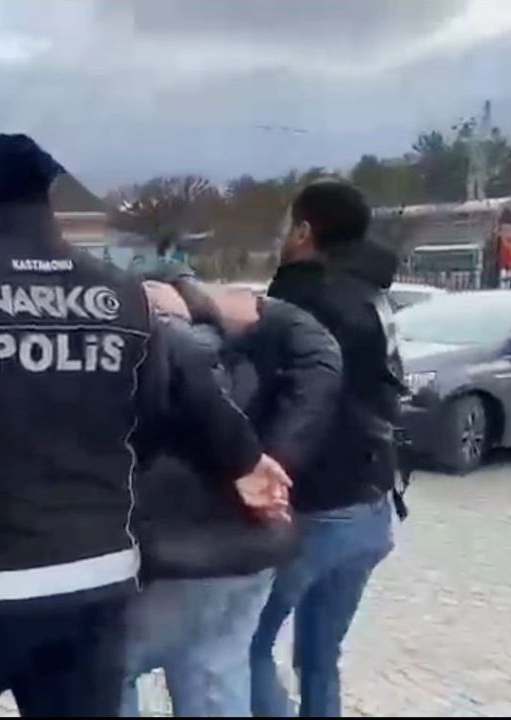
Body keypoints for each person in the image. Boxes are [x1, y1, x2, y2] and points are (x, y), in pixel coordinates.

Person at [0, 133, 291, 717]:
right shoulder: (119, 291)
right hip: (95, 586)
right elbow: (178, 392)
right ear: (47, 196)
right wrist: (243, 460)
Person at [122, 278, 342, 717]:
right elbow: (319, 358)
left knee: (107, 674)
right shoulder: (242, 360)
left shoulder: (147, 364)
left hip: (175, 555)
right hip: (252, 549)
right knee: (214, 672)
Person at [249, 180, 406, 718]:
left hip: (315, 509)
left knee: (244, 646)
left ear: (303, 231)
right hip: (373, 503)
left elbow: (262, 398)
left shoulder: (299, 299)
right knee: (320, 658)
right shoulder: (372, 295)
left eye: (285, 225)